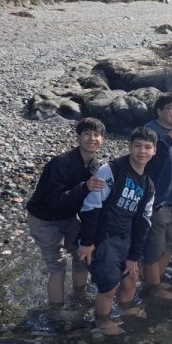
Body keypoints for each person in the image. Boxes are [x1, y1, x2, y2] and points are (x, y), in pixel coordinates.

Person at [77, 127, 158, 334]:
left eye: (147, 147)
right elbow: (91, 206)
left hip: (125, 236)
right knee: (109, 285)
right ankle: (102, 320)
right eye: (137, 146)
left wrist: (134, 255)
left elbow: (144, 222)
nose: (142, 151)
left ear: (154, 151)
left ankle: (126, 307)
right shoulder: (112, 170)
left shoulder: (148, 185)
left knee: (131, 275)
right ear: (129, 147)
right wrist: (87, 242)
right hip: (103, 236)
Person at [25, 118, 106, 310]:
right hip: (43, 217)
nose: (91, 138)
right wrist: (84, 187)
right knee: (57, 264)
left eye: (96, 134)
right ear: (78, 137)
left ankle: (80, 295)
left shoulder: (96, 166)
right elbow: (54, 200)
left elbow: (92, 203)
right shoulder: (60, 163)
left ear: (103, 139)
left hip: (68, 216)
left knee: (82, 255)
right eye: (86, 133)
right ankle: (56, 310)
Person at [129, 92, 172, 301]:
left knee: (171, 244)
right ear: (159, 111)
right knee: (153, 249)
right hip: (154, 202)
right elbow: (142, 162)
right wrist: (166, 143)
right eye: (171, 108)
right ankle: (153, 288)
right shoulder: (151, 132)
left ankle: (153, 280)